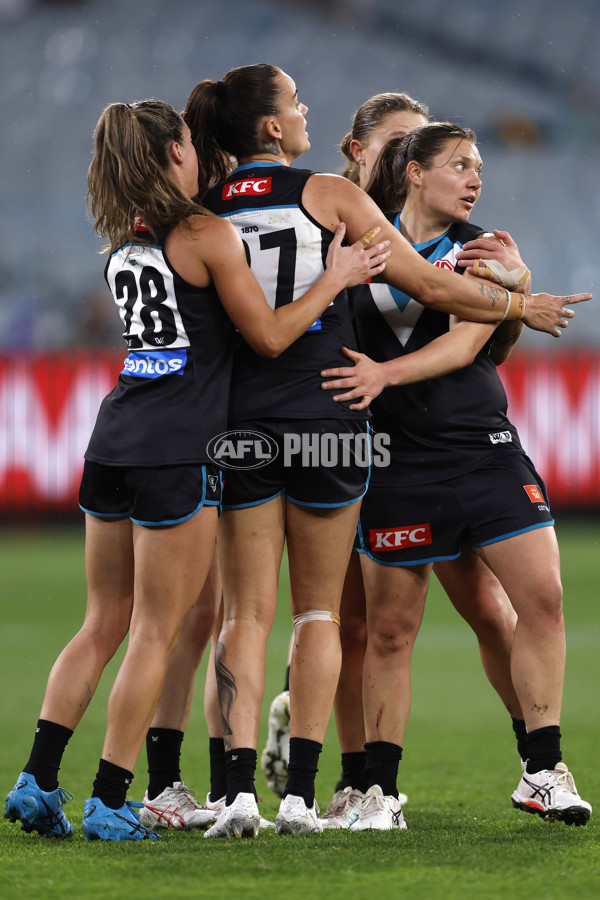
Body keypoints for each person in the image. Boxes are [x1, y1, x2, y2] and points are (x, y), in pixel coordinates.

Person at [182, 63, 588, 838]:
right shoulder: (334, 217)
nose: (419, 159)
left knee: (486, 614)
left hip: (423, 441)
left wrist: (510, 298)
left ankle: (537, 765)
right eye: (405, 146)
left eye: (430, 148)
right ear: (360, 150)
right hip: (361, 445)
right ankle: (351, 779)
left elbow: (480, 343)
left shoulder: (463, 241)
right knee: (356, 625)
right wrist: (516, 301)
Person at [3, 98, 389, 842]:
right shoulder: (205, 234)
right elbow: (273, 336)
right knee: (154, 628)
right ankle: (112, 797)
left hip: (112, 437)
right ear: (174, 154)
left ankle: (37, 778)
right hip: (179, 448)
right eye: (186, 144)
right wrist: (335, 277)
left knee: (99, 624)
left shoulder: (125, 243)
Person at [320, 121, 593, 830]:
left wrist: (386, 372)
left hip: (483, 447)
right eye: (459, 165)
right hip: (395, 459)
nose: (475, 178)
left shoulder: (484, 252)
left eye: (479, 166)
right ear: (413, 172)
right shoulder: (357, 242)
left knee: (542, 600)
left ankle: (543, 770)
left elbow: (467, 341)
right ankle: (379, 793)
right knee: (390, 631)